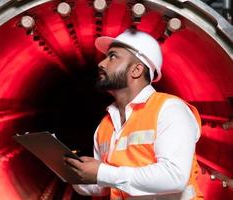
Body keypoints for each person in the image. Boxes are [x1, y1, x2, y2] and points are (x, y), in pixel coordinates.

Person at [64, 29, 203, 200]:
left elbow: (174, 176)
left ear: (136, 70)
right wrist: (76, 174)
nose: (102, 63)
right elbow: (104, 186)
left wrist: (102, 173)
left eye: (112, 56)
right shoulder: (105, 126)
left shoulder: (170, 109)